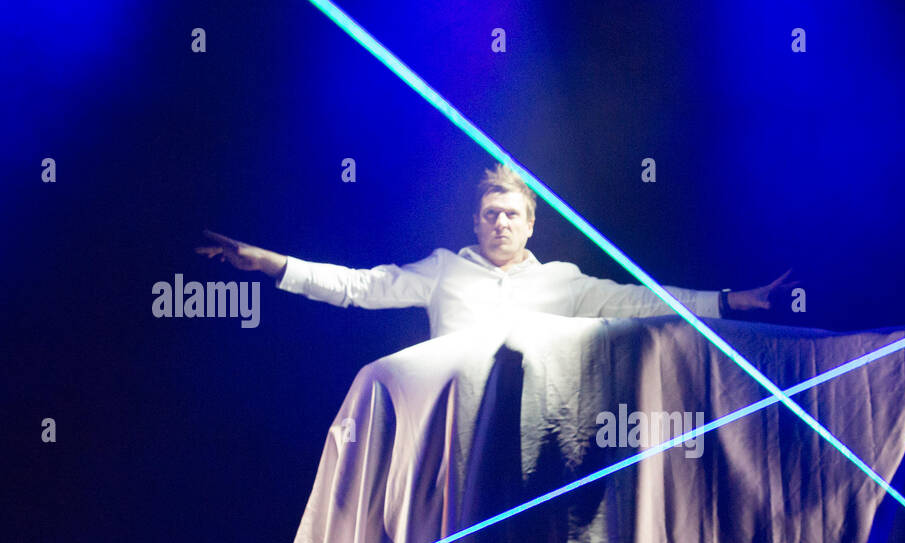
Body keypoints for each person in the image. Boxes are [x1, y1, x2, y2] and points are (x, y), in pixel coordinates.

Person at [196, 163, 796, 338]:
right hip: (457, 445)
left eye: (512, 213)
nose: (501, 222)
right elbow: (359, 286)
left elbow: (645, 301)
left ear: (530, 224)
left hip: (542, 450)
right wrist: (270, 263)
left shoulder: (565, 281)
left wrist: (730, 300)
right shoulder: (443, 271)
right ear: (476, 224)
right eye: (490, 214)